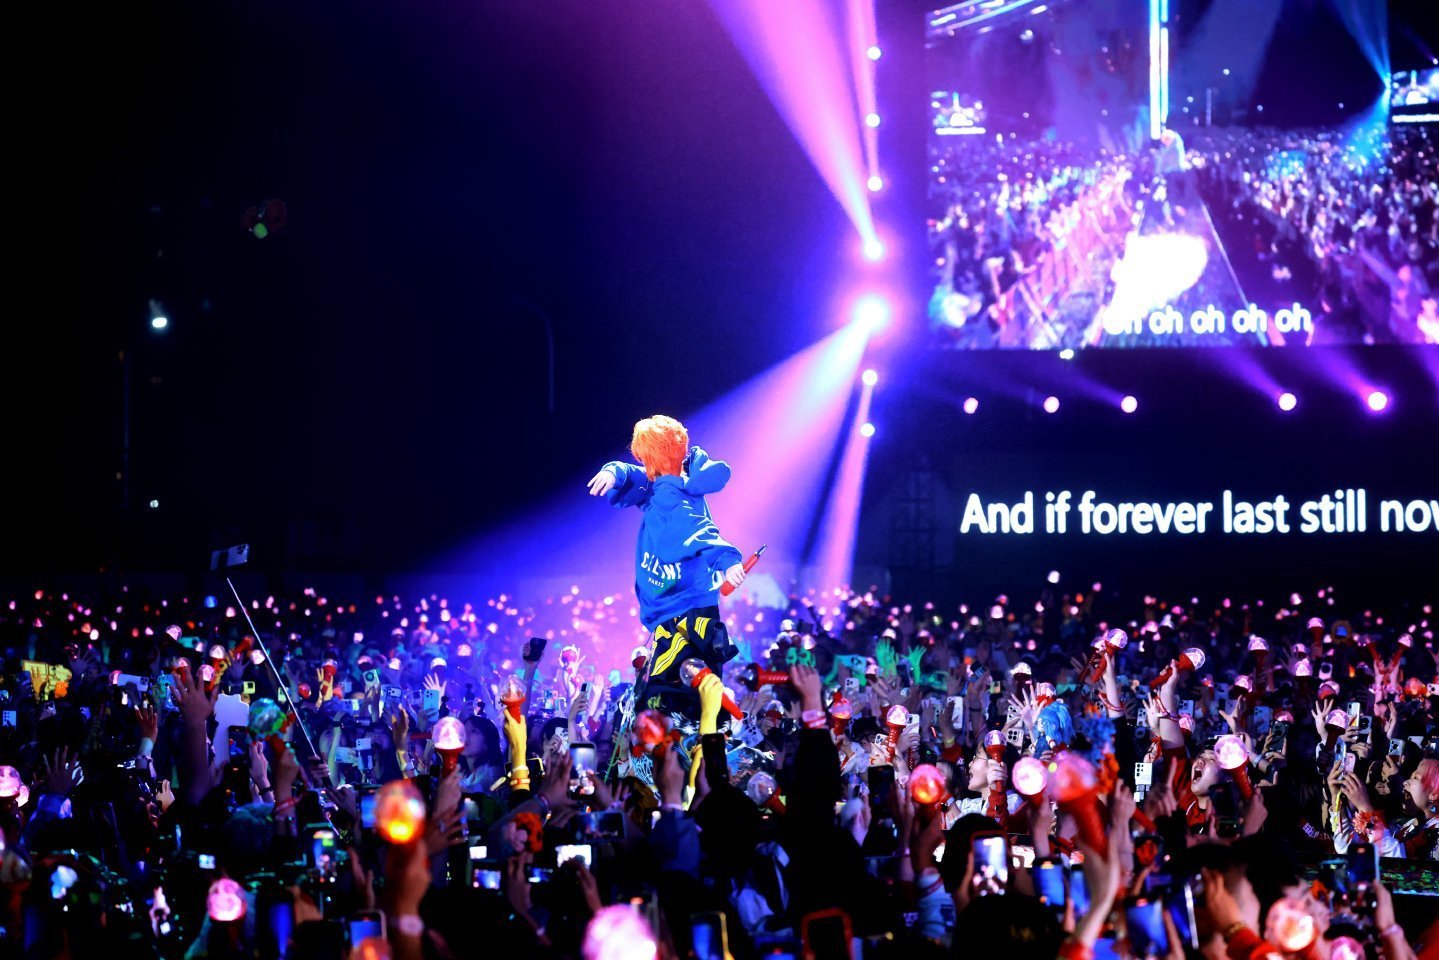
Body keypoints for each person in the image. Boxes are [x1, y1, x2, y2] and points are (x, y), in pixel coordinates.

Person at [588, 415, 748, 755]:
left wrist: (728, 560)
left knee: (681, 688)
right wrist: (614, 472)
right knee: (677, 694)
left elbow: (700, 531)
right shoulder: (666, 484)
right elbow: (633, 474)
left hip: (686, 609)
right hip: (675, 608)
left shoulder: (670, 497)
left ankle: (712, 745)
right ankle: (710, 738)